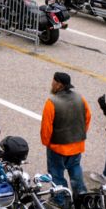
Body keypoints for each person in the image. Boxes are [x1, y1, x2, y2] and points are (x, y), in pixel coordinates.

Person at [40, 71, 90, 199]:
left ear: (58, 85)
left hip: (58, 147)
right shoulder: (80, 98)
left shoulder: (51, 102)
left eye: (53, 81)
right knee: (75, 169)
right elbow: (87, 117)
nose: (51, 83)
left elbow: (47, 127)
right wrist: (80, 134)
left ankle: (61, 199)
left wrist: (47, 143)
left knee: (56, 174)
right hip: (77, 145)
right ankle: (81, 196)